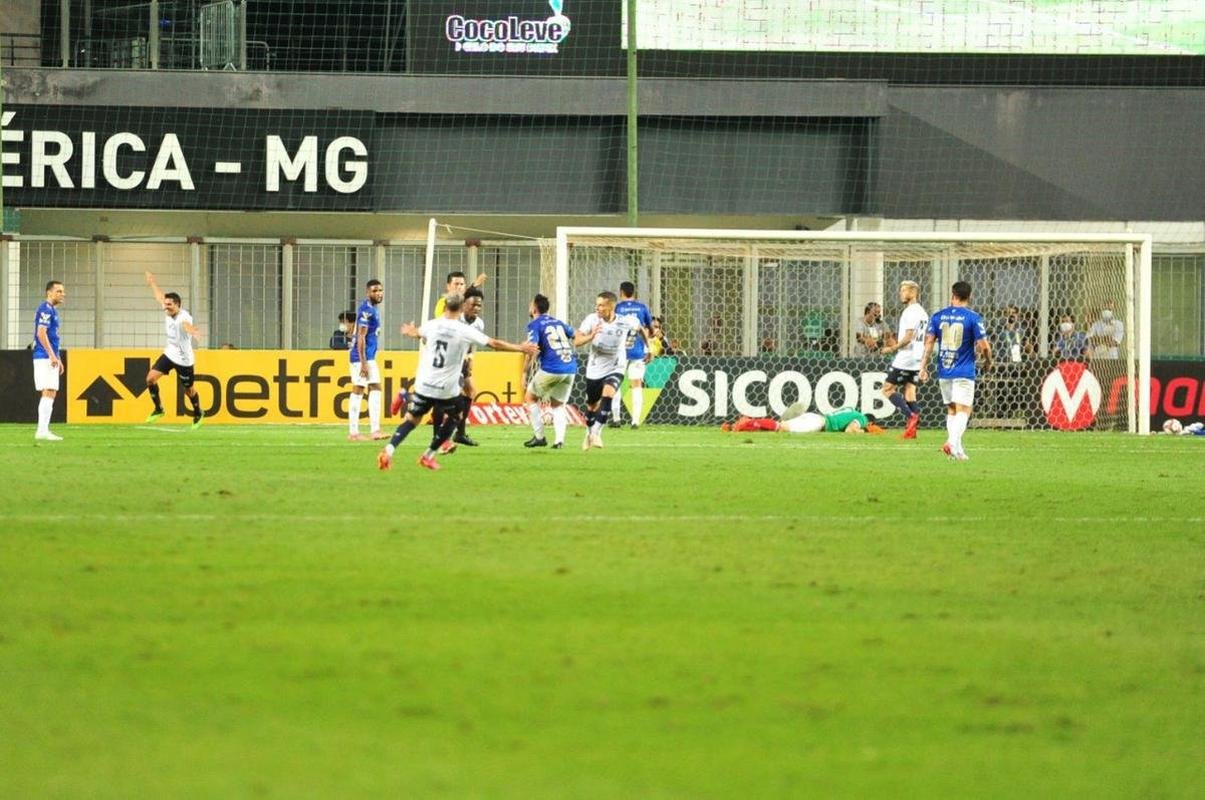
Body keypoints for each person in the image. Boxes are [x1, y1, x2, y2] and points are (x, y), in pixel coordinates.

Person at [378, 293, 536, 471]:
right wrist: (520, 348)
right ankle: (428, 455)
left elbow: (417, 333)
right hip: (446, 388)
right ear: (461, 309)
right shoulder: (464, 330)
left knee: (411, 420)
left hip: (424, 384)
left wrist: (410, 331)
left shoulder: (432, 324)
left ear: (445, 307)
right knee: (456, 416)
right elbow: (494, 343)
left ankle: (389, 450)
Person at [390, 270, 488, 417]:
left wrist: (469, 357)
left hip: (456, 356)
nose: (459, 287)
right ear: (448, 286)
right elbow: (443, 329)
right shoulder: (444, 304)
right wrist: (475, 285)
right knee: (450, 395)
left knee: (468, 392)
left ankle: (449, 427)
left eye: (462, 284)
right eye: (456, 284)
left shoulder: (465, 306)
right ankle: (446, 429)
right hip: (443, 355)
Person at [919, 281, 992, 461]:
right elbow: (984, 346)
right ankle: (951, 443)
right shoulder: (973, 318)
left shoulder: (937, 316)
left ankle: (957, 450)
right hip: (964, 371)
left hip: (944, 370)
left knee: (952, 410)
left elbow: (928, 343)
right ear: (969, 296)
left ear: (953, 295)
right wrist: (988, 361)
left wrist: (923, 366)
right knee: (964, 410)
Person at [576, 291, 648, 450]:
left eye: (601, 305)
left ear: (611, 306)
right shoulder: (591, 320)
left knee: (608, 394)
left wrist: (647, 348)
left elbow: (640, 328)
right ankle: (589, 434)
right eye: (597, 304)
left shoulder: (625, 321)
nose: (597, 308)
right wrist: (591, 335)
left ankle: (596, 433)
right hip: (594, 368)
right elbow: (577, 341)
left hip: (616, 366)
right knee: (591, 406)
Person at [144, 271, 204, 429]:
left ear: (178, 305)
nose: (166, 307)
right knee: (150, 379)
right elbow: (159, 296)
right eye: (166, 304)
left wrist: (193, 332)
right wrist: (152, 282)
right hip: (170, 354)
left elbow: (186, 326)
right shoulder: (167, 309)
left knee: (189, 391)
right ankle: (158, 409)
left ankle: (198, 412)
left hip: (184, 359)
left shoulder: (184, 317)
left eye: (169, 305)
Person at [521, 294, 577, 449]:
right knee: (558, 405)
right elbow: (575, 335)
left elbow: (532, 349)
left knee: (530, 398)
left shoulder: (535, 324)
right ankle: (559, 441)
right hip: (570, 367)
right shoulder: (558, 322)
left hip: (552, 368)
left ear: (534, 308)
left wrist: (524, 372)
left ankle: (539, 437)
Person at [438, 285, 486, 452]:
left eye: (479, 305)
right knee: (454, 396)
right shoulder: (455, 320)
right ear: (465, 304)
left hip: (463, 361)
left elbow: (472, 344)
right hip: (450, 361)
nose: (477, 308)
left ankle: (460, 433)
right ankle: (445, 434)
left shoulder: (479, 324)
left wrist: (470, 358)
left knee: (471, 392)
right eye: (473, 305)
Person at [878, 280, 928, 439]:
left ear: (913, 292)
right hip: (917, 356)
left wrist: (891, 349)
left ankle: (910, 416)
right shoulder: (923, 312)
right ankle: (912, 431)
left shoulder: (910, 312)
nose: (901, 293)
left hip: (906, 357)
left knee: (887, 389)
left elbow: (908, 336)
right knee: (910, 391)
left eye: (904, 290)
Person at [610, 281, 653, 428]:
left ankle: (616, 419)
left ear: (621, 292)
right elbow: (649, 328)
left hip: (620, 352)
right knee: (636, 385)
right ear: (634, 293)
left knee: (615, 384)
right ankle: (635, 421)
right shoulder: (642, 308)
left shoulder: (617, 308)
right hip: (638, 351)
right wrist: (649, 347)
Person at [348, 280, 385, 442]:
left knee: (375, 387)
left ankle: (375, 430)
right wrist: (363, 362)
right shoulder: (366, 311)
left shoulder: (372, 309)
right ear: (368, 293)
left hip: (368, 357)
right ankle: (354, 432)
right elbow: (360, 337)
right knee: (359, 390)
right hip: (361, 357)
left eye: (380, 290)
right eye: (375, 291)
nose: (378, 293)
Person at [32, 280, 66, 441]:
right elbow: (41, 333)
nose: (62, 294)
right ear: (49, 293)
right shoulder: (45, 309)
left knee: (50, 391)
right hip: (44, 356)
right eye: (59, 291)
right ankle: (42, 431)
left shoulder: (52, 310)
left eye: (62, 291)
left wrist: (57, 357)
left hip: (48, 356)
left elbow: (52, 337)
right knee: (49, 390)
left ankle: (43, 430)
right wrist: (52, 355)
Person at [722, 404, 884, 435]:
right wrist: (864, 431)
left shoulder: (852, 411)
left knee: (781, 427)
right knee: (781, 427)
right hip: (818, 423)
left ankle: (743, 424)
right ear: (870, 422)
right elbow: (850, 431)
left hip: (815, 417)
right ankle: (748, 421)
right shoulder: (862, 418)